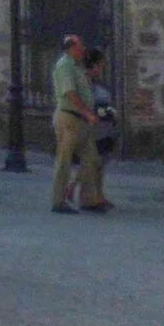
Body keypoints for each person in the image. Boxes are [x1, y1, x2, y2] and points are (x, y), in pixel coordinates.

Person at [50, 33, 106, 214]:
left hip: (80, 121)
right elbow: (70, 93)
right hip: (69, 118)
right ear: (72, 47)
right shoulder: (65, 66)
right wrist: (87, 113)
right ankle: (58, 201)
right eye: (80, 46)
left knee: (92, 159)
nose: (83, 49)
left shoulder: (76, 67)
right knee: (64, 160)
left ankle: (88, 199)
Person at [73, 47, 118, 209]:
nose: (101, 69)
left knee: (99, 163)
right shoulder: (82, 82)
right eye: (99, 65)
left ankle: (98, 195)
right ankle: (86, 198)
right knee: (90, 162)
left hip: (101, 129)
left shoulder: (93, 83)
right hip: (89, 128)